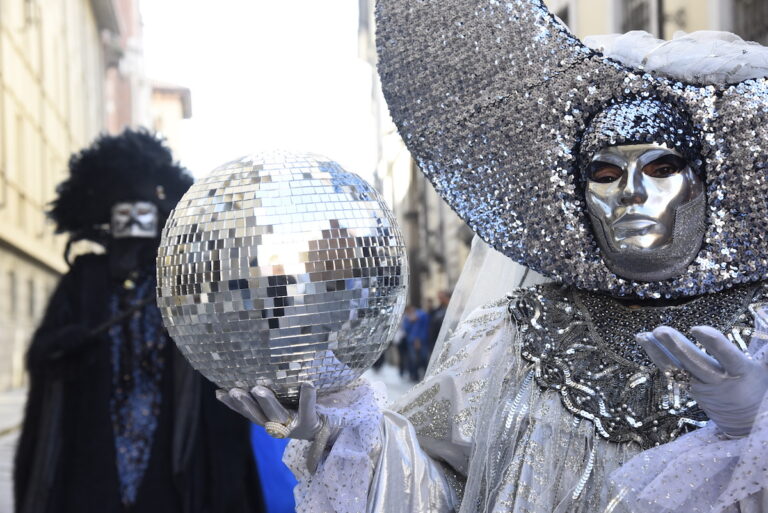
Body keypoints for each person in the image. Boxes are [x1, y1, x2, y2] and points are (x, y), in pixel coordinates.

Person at [218, 2, 768, 512]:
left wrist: (755, 431)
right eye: (604, 173)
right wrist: (342, 431)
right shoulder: (509, 339)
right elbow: (435, 491)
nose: (630, 193)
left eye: (660, 167)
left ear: (710, 183)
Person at [14, 129, 264, 513]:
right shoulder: (84, 280)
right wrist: (65, 343)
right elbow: (42, 355)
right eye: (123, 213)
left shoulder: (183, 280)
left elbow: (228, 353)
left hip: (172, 447)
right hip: (93, 442)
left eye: (142, 212)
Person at [402, 305, 431, 382]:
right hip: (411, 341)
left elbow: (425, 327)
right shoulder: (407, 318)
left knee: (424, 358)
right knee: (413, 359)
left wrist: (418, 339)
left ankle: (426, 375)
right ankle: (414, 375)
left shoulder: (422, 314)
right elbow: (406, 329)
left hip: (422, 340)